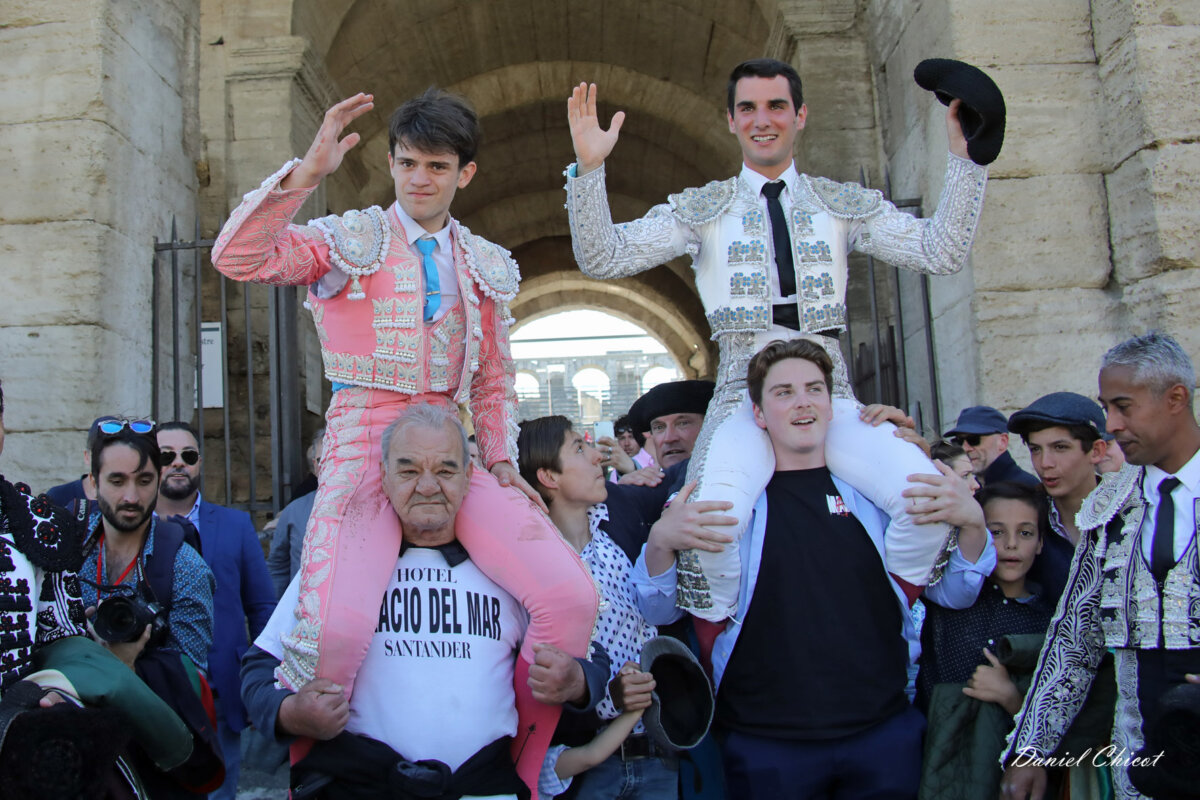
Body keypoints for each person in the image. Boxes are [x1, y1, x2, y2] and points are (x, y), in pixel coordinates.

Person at [212, 88, 598, 787]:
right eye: (409, 163)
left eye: (437, 166)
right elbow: (239, 257)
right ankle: (320, 777)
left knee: (570, 597)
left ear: (465, 174)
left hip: (453, 450)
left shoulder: (481, 260)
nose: (420, 179)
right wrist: (306, 173)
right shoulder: (348, 240)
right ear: (391, 162)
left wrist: (501, 460)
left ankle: (521, 760)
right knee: (335, 632)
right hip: (364, 444)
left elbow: (493, 377)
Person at [564, 57, 990, 622]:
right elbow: (604, 257)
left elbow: (941, 250)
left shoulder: (840, 203)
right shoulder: (705, 209)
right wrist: (589, 170)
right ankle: (728, 648)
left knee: (927, 503)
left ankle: (885, 615)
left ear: (800, 115)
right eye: (748, 108)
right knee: (712, 525)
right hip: (742, 395)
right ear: (731, 120)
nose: (762, 120)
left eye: (776, 107)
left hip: (829, 396)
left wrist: (965, 161)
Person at [632, 339, 994, 799]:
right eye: (783, 392)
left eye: (814, 389)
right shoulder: (727, 505)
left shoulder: (878, 498)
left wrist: (973, 523)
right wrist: (660, 542)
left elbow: (955, 593)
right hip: (766, 742)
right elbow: (659, 609)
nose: (802, 402)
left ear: (830, 404)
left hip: (882, 731)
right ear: (759, 414)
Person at [242, 404, 599, 799]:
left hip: (482, 789)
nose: (427, 487)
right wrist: (289, 713)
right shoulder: (333, 569)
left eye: (445, 471)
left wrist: (578, 682)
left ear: (469, 477)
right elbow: (259, 668)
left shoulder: (513, 571)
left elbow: (590, 660)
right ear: (383, 476)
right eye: (408, 471)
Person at [1001, 332, 1200, 800]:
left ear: (1175, 399)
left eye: (1123, 407)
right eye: (1106, 408)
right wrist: (1030, 750)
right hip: (1141, 762)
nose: (1111, 425)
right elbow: (1075, 638)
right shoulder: (1111, 507)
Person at [518, 416, 680, 799]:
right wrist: (610, 699)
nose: (597, 456)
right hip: (583, 768)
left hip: (658, 754)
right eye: (579, 447)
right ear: (548, 476)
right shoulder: (526, 561)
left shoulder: (622, 513)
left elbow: (681, 479)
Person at [78, 420, 221, 796]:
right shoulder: (66, 557)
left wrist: (125, 668)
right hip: (75, 760)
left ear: (157, 482)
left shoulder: (185, 568)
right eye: (116, 480)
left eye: (143, 481)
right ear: (92, 483)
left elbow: (190, 686)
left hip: (153, 770)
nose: (131, 496)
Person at [156, 421, 277, 800]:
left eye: (188, 455)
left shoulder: (235, 525)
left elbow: (261, 606)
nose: (178, 463)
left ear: (199, 463)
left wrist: (263, 681)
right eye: (166, 456)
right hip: (153, 690)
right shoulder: (133, 524)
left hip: (221, 689)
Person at [1007, 392, 1109, 607]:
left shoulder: (1130, 516)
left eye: (1060, 447)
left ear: (1096, 451)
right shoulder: (1026, 518)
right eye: (1035, 449)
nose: (1045, 463)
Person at [267, 427, 324, 599]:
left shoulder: (370, 511)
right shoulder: (293, 512)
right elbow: (278, 568)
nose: (328, 466)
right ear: (314, 466)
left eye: (335, 458)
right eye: (322, 460)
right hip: (301, 611)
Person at [944, 406, 1039, 488]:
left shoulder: (1024, 487)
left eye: (973, 439)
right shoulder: (973, 487)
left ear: (1002, 442)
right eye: (959, 441)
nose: (965, 448)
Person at [44, 414, 120, 507]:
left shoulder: (131, 497)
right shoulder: (58, 496)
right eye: (99, 453)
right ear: (87, 457)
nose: (108, 460)